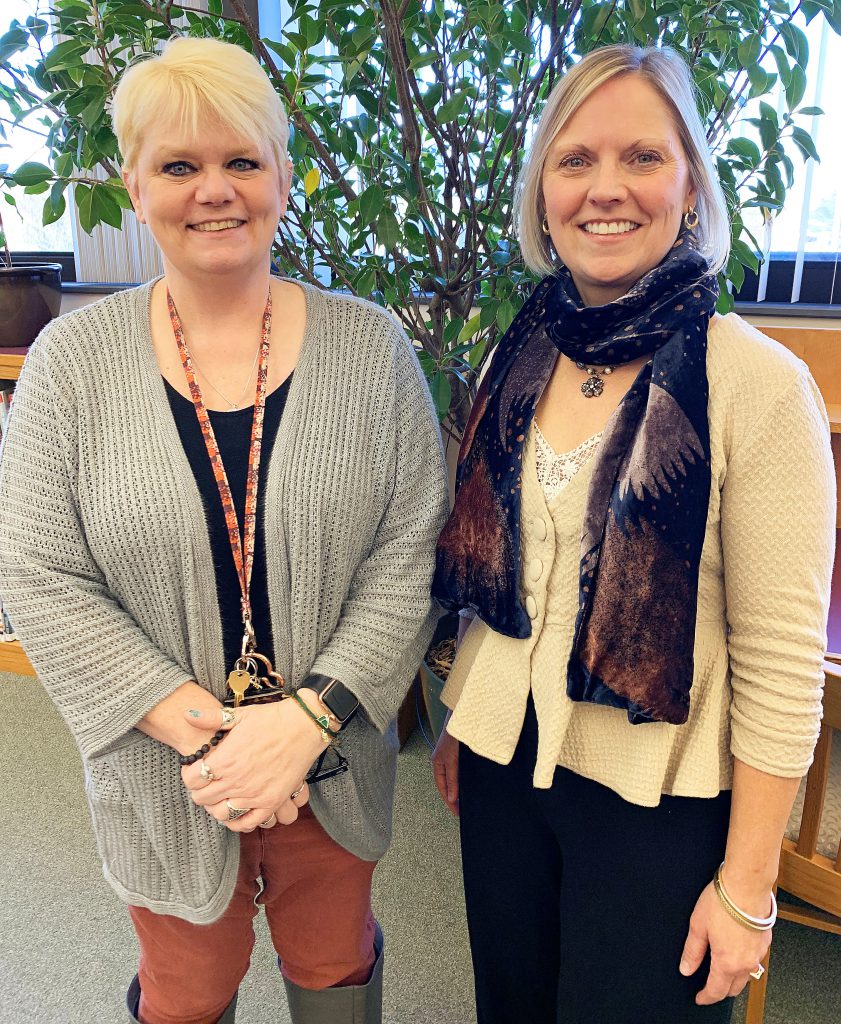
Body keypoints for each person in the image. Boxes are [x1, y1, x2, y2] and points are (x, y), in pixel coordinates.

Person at [0, 36, 448, 1024]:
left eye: (242, 160)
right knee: (186, 986)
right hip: (163, 772)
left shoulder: (371, 347)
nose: (215, 190)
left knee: (334, 967)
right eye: (179, 165)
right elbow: (36, 571)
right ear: (134, 181)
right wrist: (215, 740)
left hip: (327, 763)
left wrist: (302, 724)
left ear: (284, 177)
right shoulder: (71, 363)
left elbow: (412, 549)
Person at [431, 43, 835, 1024]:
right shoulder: (521, 349)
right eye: (573, 161)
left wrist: (748, 889)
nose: (603, 189)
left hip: (656, 798)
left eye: (641, 158)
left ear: (688, 184)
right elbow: (498, 576)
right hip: (498, 771)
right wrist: (461, 716)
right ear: (541, 195)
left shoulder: (756, 383)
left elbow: (782, 660)